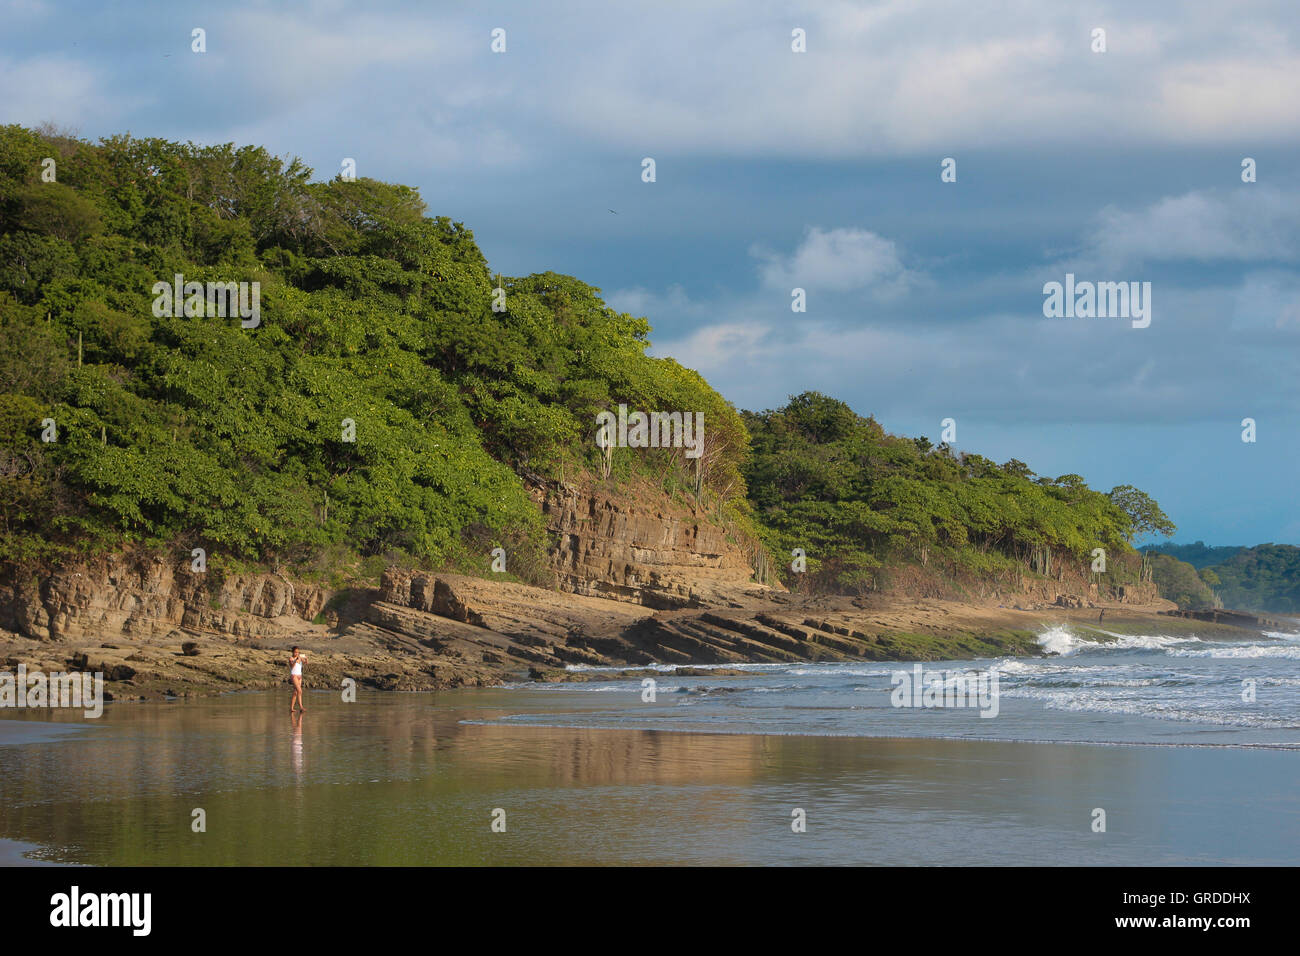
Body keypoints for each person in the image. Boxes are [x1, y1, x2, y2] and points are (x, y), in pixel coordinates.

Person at [289, 646, 307, 713]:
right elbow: (292, 666)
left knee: (295, 692)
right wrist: (295, 660)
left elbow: (305, 663)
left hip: (300, 676)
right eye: (295, 652)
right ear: (293, 652)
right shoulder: (291, 658)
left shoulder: (300, 658)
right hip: (294, 676)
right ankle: (301, 707)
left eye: (297, 652)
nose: (296, 653)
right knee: (300, 691)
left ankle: (291, 708)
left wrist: (306, 659)